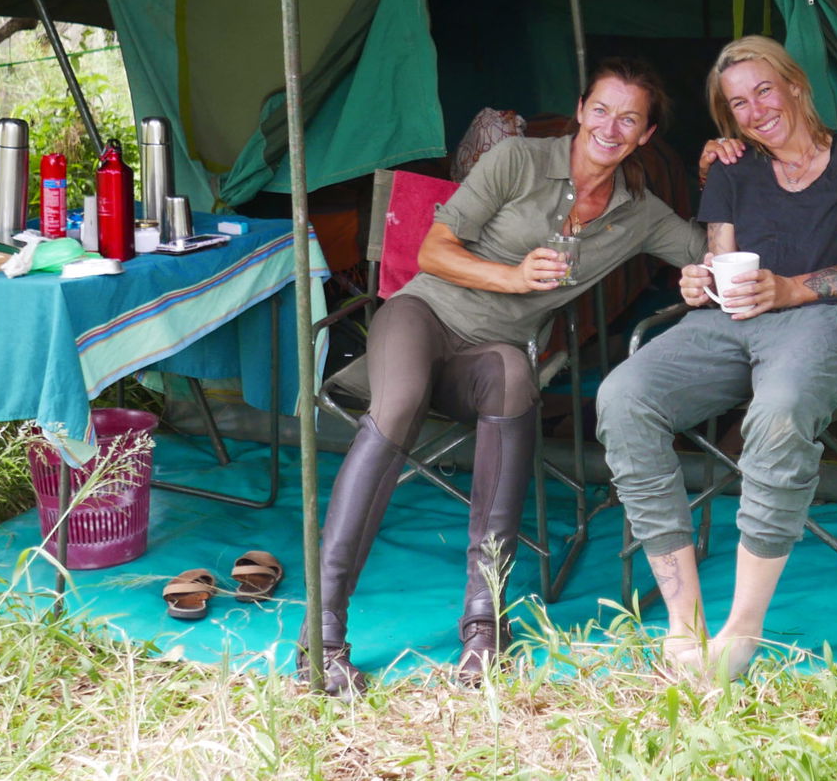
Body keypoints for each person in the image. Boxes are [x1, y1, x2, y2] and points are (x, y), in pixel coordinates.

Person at [300, 58, 704, 695]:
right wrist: (512, 277)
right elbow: (433, 250)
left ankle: (484, 625)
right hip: (421, 317)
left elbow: (710, 252)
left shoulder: (640, 214)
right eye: (601, 109)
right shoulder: (517, 159)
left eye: (629, 118)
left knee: (516, 374)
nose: (610, 126)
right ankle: (321, 637)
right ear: (579, 110)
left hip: (488, 359)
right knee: (400, 400)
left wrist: (726, 180)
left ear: (646, 136)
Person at [596, 35, 837, 680]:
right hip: (730, 322)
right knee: (622, 397)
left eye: (765, 89)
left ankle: (741, 631)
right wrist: (698, 282)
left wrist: (795, 288)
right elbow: (718, 259)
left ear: (796, 85)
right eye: (738, 103)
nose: (755, 109)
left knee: (778, 412)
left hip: (824, 321)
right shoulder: (734, 170)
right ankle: (684, 625)